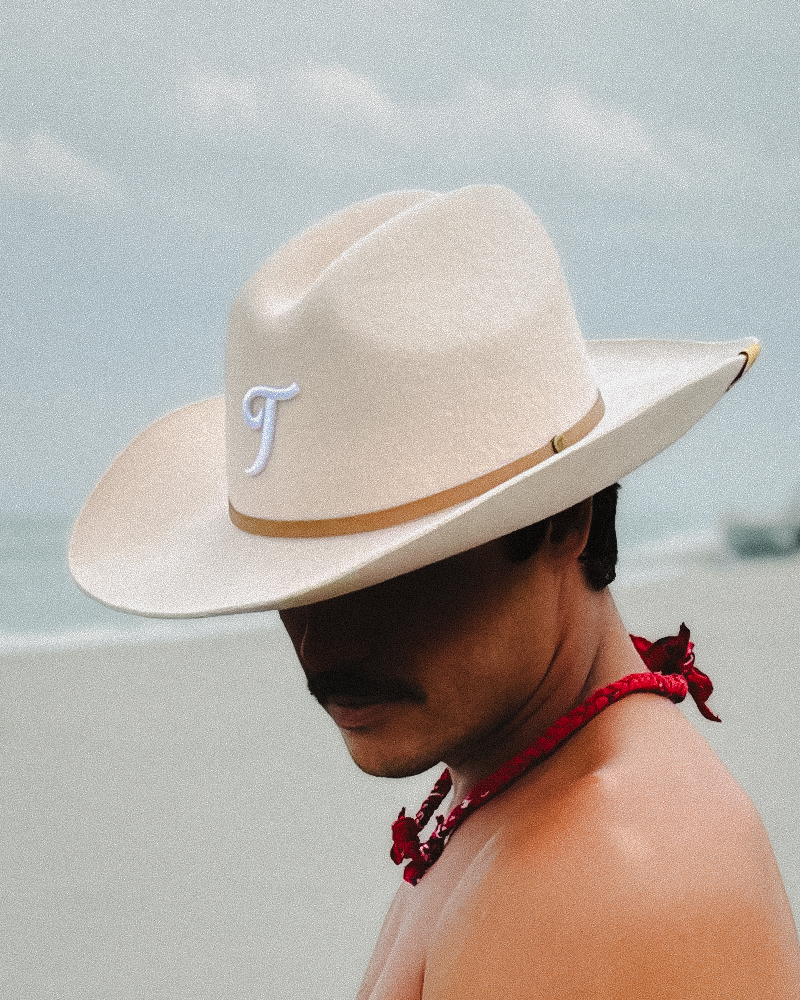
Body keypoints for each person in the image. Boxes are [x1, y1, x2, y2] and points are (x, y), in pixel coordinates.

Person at [70, 185, 800, 997]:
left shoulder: (606, 862)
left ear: (566, 520)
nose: (320, 643)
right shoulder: (518, 795)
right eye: (292, 578)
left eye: (384, 573)